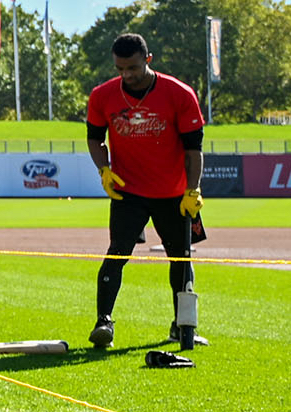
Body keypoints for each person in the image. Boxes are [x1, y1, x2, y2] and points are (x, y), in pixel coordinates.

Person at [83, 33, 206, 352]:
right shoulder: (102, 95)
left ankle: (183, 326)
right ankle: (103, 322)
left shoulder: (179, 94)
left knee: (180, 258)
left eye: (133, 68)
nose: (127, 75)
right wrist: (103, 169)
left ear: (147, 60)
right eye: (120, 69)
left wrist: (192, 190)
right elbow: (95, 139)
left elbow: (194, 150)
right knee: (117, 254)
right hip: (129, 191)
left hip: (174, 194)